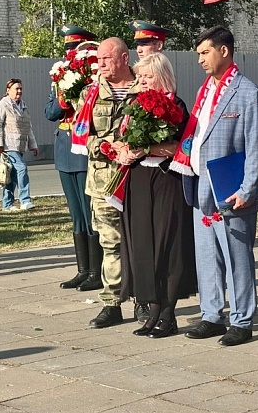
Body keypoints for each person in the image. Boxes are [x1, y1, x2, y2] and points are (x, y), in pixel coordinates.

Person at [179, 26, 258, 346]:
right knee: (207, 256)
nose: (200, 59)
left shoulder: (246, 93)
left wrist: (247, 190)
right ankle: (211, 314)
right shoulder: (206, 91)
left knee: (236, 258)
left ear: (224, 51)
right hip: (201, 188)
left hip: (231, 191)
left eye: (205, 52)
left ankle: (242, 320)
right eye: (199, 54)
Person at [116, 52, 196, 338]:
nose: (143, 82)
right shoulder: (134, 105)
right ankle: (151, 309)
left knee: (167, 246)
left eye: (148, 77)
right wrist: (124, 150)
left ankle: (168, 313)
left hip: (166, 180)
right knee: (143, 245)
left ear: (162, 76)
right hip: (139, 180)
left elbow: (182, 148)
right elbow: (121, 138)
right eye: (140, 77)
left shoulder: (177, 106)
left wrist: (148, 149)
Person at [74, 37, 141, 328]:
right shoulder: (90, 93)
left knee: (139, 242)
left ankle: (143, 299)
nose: (100, 64)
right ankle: (111, 303)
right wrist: (106, 147)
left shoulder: (145, 88)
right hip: (102, 182)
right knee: (110, 243)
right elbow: (80, 136)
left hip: (137, 179)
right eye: (98, 59)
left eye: (106, 58)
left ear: (124, 58)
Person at [45, 26, 101, 293]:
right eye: (67, 50)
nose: (69, 54)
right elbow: (49, 111)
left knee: (89, 213)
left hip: (82, 151)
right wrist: (63, 98)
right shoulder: (60, 77)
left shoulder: (92, 77)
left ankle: (97, 272)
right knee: (76, 214)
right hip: (64, 150)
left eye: (74, 49)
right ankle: (83, 270)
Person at [0, 78, 38, 212]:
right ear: (8, 90)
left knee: (11, 176)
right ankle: (25, 200)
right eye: (16, 89)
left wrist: (33, 145)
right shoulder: (2, 105)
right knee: (22, 168)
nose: (19, 91)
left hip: (20, 145)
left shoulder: (23, 106)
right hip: (8, 146)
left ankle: (7, 205)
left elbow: (28, 128)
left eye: (20, 89)